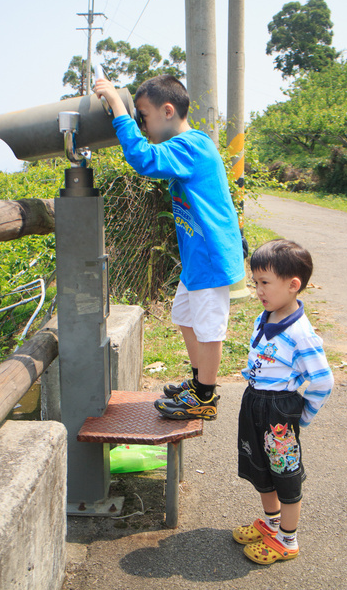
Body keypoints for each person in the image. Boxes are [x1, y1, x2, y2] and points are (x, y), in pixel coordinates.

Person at [94, 74, 245, 421]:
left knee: (208, 327)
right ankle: (198, 383)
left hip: (210, 256)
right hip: (200, 257)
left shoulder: (191, 145)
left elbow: (144, 159)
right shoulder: (190, 146)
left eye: (142, 116)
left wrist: (118, 105)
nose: (141, 124)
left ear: (167, 110)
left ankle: (205, 398)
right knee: (184, 315)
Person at [234, 238, 334, 564]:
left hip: (279, 411)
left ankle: (287, 540)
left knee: (286, 474)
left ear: (293, 285)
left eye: (265, 283)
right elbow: (262, 355)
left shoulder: (301, 333)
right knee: (260, 467)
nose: (258, 290)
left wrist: (302, 417)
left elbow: (321, 380)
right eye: (255, 282)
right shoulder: (264, 319)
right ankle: (272, 523)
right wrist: (252, 371)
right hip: (255, 403)